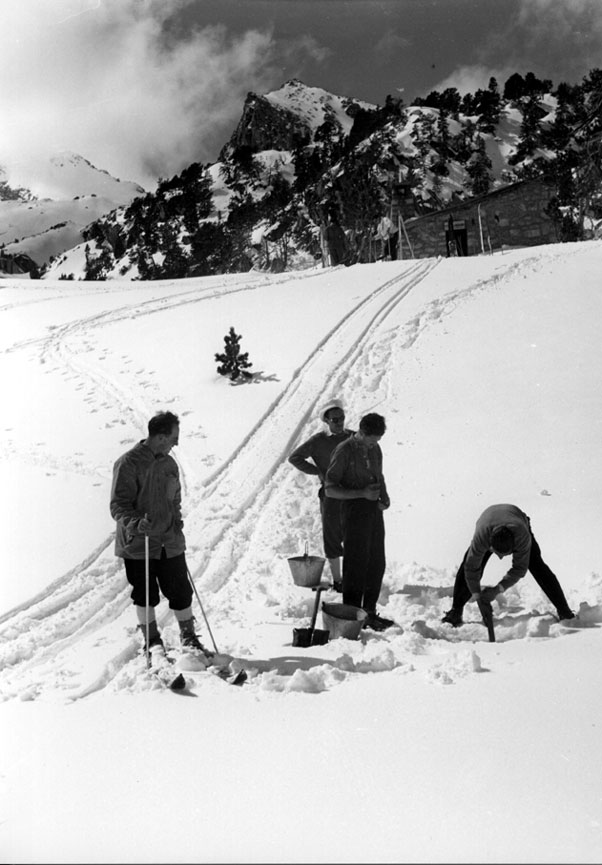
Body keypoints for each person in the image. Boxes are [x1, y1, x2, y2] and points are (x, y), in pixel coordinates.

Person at [110, 410, 211, 656]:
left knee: (181, 590)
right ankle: (152, 640)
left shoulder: (169, 464)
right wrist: (135, 523)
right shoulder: (128, 463)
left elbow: (174, 500)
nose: (177, 443)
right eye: (174, 437)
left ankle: (188, 636)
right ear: (162, 437)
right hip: (139, 542)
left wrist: (176, 521)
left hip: (169, 541)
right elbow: (118, 505)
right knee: (146, 594)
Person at [441, 503, 576, 627]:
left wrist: (497, 590)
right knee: (469, 563)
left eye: (504, 555)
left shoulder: (522, 537)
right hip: (488, 520)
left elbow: (519, 568)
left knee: (536, 565)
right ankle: (456, 611)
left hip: (517, 518)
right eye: (496, 553)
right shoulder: (482, 538)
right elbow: (471, 569)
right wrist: (478, 596)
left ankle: (564, 611)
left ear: (514, 547)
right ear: (490, 545)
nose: (499, 558)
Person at [324, 412, 393, 631]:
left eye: (378, 441)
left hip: (373, 509)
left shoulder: (375, 449)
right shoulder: (345, 450)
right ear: (361, 432)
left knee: (376, 561)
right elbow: (330, 488)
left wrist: (384, 495)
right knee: (355, 564)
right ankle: (351, 615)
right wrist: (361, 493)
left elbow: (378, 476)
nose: (374, 444)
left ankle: (369, 612)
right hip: (353, 509)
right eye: (372, 440)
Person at [288, 399, 354, 590]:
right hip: (330, 495)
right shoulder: (318, 441)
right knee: (332, 535)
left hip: (353, 494)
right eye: (335, 420)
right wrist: (317, 471)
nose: (339, 422)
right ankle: (338, 580)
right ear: (326, 421)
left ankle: (353, 576)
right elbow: (295, 457)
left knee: (353, 535)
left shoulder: (353, 437)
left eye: (341, 418)